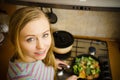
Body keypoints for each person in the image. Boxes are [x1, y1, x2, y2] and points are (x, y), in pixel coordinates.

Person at [7, 7, 77, 80]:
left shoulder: (32, 55)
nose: (41, 46)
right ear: (15, 41)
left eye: (45, 35)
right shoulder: (23, 77)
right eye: (30, 39)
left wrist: (52, 63)